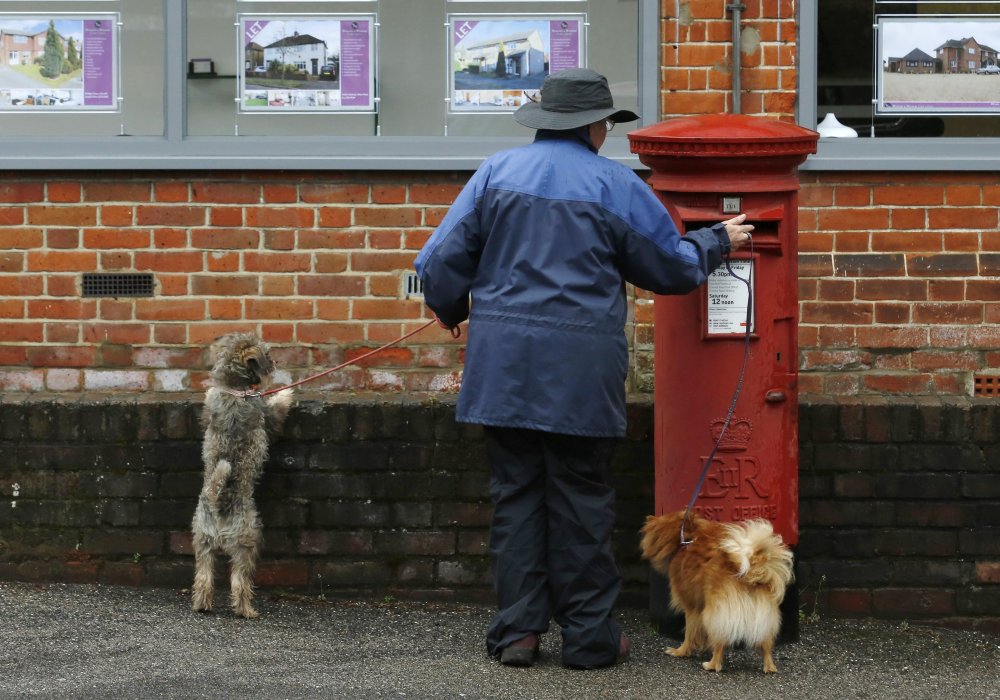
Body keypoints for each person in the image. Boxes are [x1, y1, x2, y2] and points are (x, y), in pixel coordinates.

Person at [414, 68, 753, 669]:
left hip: (504, 370)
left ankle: (517, 635)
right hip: (580, 374)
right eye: (606, 124)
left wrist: (450, 309)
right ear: (595, 126)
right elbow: (669, 267)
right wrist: (717, 240)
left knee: (516, 500)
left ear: (545, 121)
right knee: (580, 502)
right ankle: (589, 639)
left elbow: (439, 261)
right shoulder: (613, 185)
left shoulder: (495, 173)